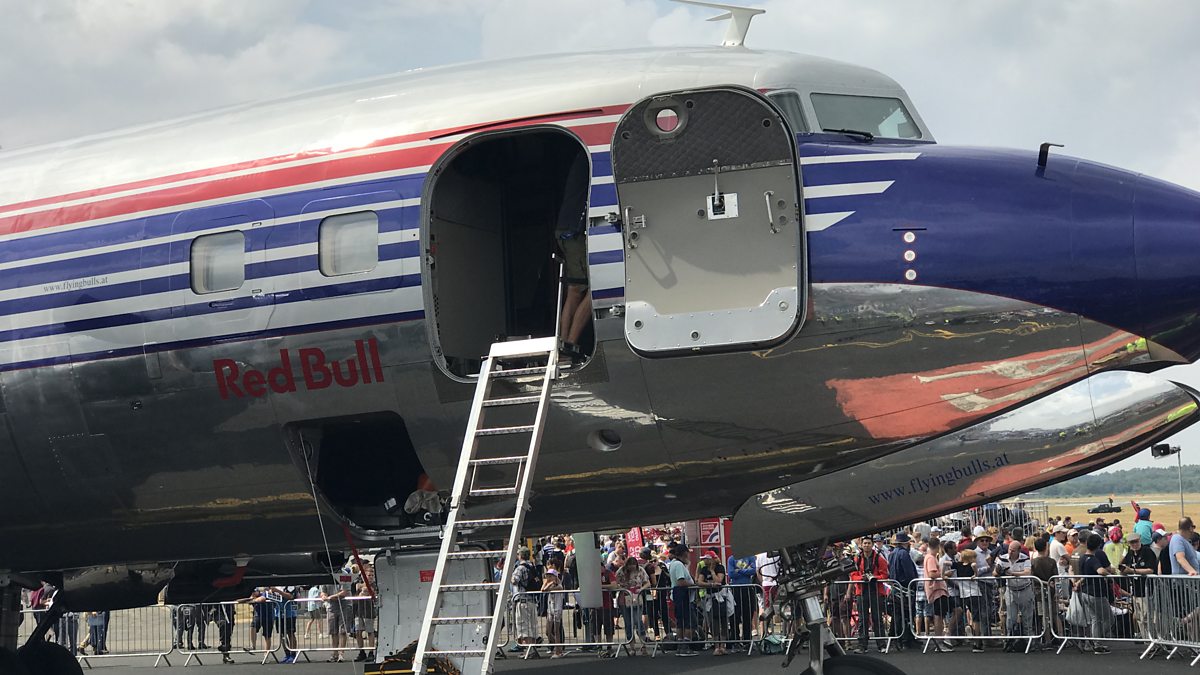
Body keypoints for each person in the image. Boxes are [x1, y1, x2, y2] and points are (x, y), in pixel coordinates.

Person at [555, 152, 592, 355]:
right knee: (594, 292)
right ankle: (569, 346)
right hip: (575, 232)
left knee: (574, 291)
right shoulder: (589, 159)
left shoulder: (580, 158)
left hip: (567, 230)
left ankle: (564, 345)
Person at [1076, 533, 1114, 654]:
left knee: (1095, 618)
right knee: (1109, 618)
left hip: (1085, 591)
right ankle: (1097, 640)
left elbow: (1084, 575)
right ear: (1098, 546)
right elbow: (1101, 570)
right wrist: (1110, 575)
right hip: (1096, 593)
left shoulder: (1082, 558)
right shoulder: (1093, 559)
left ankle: (1096, 641)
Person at [994, 540, 1035, 652]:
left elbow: (1027, 572)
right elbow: (995, 573)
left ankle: (1028, 642)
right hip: (1011, 590)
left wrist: (1013, 574)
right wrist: (998, 571)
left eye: (1013, 551)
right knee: (1010, 618)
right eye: (1009, 550)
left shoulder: (1025, 558)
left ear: (1018, 551)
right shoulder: (1003, 558)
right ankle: (1009, 641)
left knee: (1027, 618)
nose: (1010, 552)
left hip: (1025, 589)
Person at [852, 535, 890, 653]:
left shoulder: (879, 558)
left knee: (877, 618)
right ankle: (862, 645)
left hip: (876, 591)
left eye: (868, 543)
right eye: (865, 543)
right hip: (862, 591)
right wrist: (861, 578)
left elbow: (885, 575)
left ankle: (881, 644)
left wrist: (874, 577)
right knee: (862, 619)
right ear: (861, 545)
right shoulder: (857, 558)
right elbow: (853, 575)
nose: (866, 545)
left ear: (872, 544)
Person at [1119, 532, 1156, 634]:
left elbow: (1151, 570)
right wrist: (1123, 570)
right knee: (1139, 617)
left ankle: (1151, 638)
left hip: (1146, 590)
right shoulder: (1130, 553)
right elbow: (1122, 565)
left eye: (1136, 542)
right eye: (1132, 543)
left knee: (1146, 617)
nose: (1134, 544)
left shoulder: (1147, 551)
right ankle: (1145, 639)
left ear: (1140, 541)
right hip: (1135, 590)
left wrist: (1133, 571)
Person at [888, 533, 919, 650]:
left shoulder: (892, 554)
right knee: (906, 614)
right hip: (905, 587)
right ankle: (906, 639)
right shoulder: (904, 554)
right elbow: (909, 572)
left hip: (896, 586)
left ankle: (897, 638)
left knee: (897, 614)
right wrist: (913, 583)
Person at [923, 537, 953, 652]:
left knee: (953, 610)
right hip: (937, 590)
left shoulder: (930, 557)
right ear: (939, 546)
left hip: (938, 590)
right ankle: (939, 642)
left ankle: (943, 638)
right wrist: (943, 574)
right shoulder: (931, 558)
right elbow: (932, 574)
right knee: (939, 615)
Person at [616, 556, 651, 656]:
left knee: (638, 621)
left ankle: (643, 645)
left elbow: (647, 582)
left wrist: (641, 589)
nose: (632, 567)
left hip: (637, 597)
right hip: (624, 598)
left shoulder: (640, 570)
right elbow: (616, 583)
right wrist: (623, 589)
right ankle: (632, 647)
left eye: (633, 565)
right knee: (628, 623)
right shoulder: (621, 571)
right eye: (630, 565)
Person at [668, 544, 698, 656]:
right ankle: (685, 646)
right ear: (684, 553)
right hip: (683, 595)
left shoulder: (673, 564)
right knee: (689, 621)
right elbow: (681, 581)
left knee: (681, 622)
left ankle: (680, 646)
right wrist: (694, 584)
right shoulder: (679, 565)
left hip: (678, 595)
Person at [511, 547, 540, 650]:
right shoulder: (532, 566)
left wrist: (510, 577)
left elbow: (515, 580)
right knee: (532, 625)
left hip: (523, 599)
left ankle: (528, 650)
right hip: (532, 599)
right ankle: (533, 649)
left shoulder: (520, 568)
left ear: (520, 555)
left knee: (524, 626)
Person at [727, 550, 757, 646]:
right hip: (735, 589)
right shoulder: (731, 558)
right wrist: (746, 571)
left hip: (748, 588)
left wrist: (739, 570)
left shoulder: (750, 557)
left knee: (747, 615)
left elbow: (753, 571)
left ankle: (747, 640)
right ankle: (735, 639)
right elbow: (731, 573)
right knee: (735, 615)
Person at [541, 566, 566, 658]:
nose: (548, 578)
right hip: (550, 608)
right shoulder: (549, 584)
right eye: (547, 576)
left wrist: (550, 583)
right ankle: (558, 646)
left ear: (555, 577)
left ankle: (558, 651)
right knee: (548, 632)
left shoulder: (559, 586)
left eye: (550, 576)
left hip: (557, 609)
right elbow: (542, 589)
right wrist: (546, 582)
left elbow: (546, 589)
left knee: (556, 631)